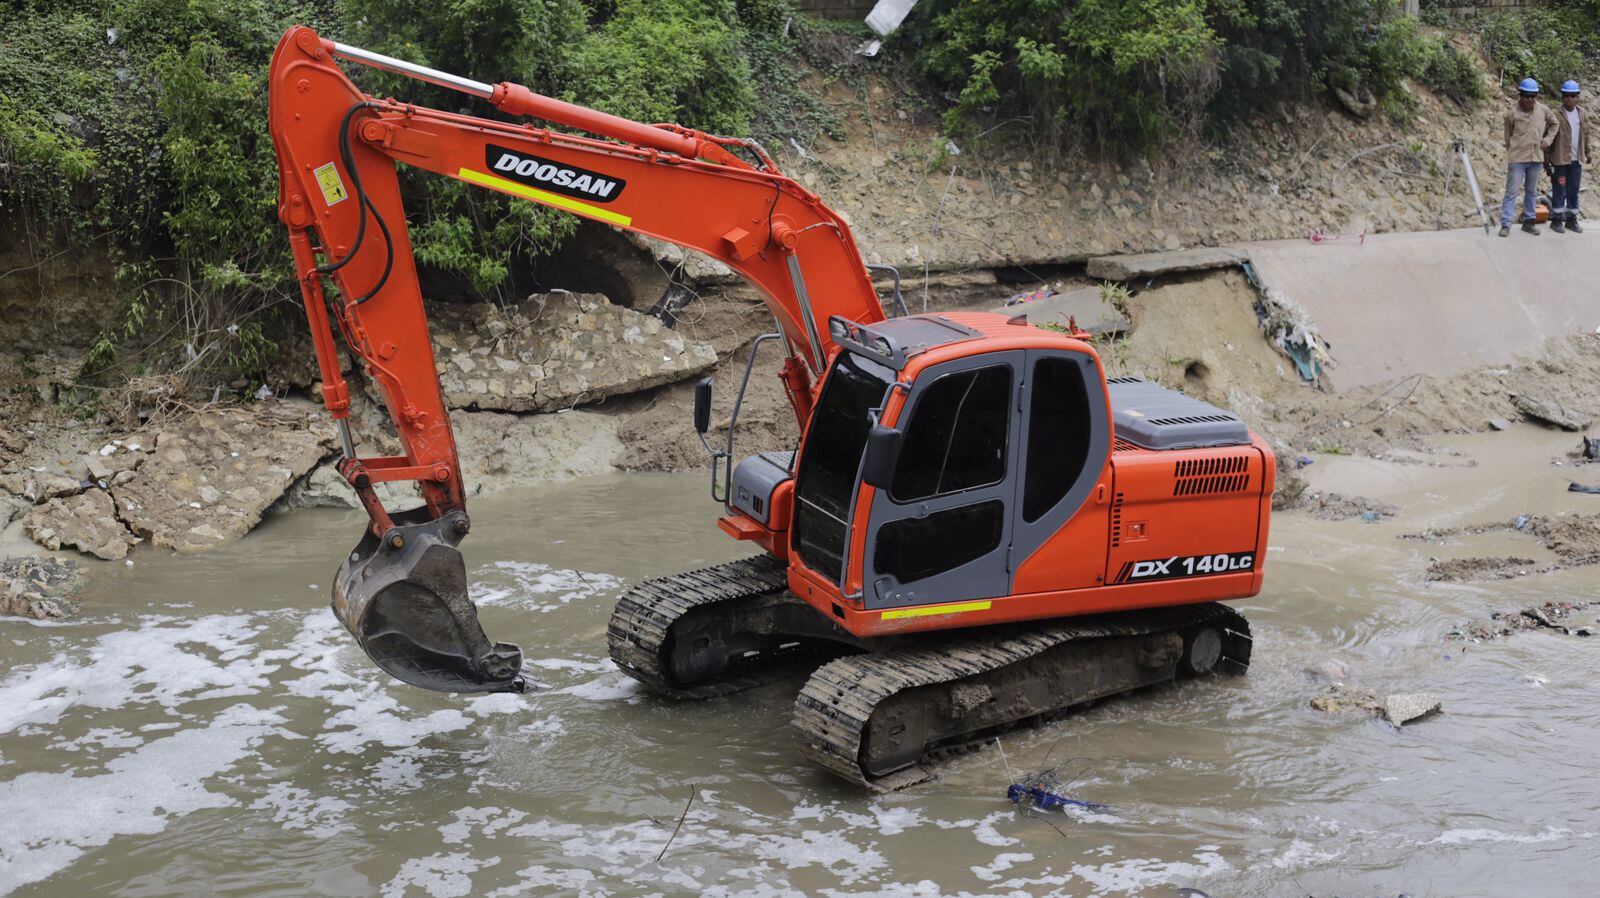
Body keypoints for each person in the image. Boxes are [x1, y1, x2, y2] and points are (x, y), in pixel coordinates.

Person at [1500, 77, 1559, 237]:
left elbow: (1555, 124)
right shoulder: (1512, 114)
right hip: (1517, 158)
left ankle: (1529, 222)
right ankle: (1505, 224)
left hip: (1536, 158)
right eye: (1527, 96)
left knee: (1531, 191)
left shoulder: (1543, 110)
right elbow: (1508, 137)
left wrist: (1547, 140)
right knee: (1511, 192)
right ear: (1521, 95)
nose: (1530, 99)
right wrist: (1513, 150)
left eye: (1533, 96)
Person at [1546, 79, 1590, 233]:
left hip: (1576, 160)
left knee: (1573, 190)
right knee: (1560, 190)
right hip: (1559, 160)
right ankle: (1557, 220)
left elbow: (1586, 134)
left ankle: (1571, 220)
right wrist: (1547, 160)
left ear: (1577, 97)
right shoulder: (1556, 114)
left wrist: (1587, 152)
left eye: (1573, 96)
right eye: (1566, 96)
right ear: (1562, 97)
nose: (1569, 99)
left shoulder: (1582, 113)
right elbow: (1548, 136)